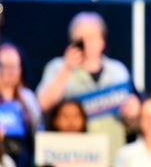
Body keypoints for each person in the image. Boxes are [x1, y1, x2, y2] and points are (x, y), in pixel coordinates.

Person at [35, 11, 140, 164]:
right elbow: (42, 104)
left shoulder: (118, 71)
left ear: (102, 41)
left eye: (92, 37)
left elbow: (130, 119)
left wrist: (132, 113)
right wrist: (66, 69)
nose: (87, 42)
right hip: (71, 157)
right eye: (80, 38)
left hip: (112, 156)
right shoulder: (58, 67)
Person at [0, 42, 42, 167]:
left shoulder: (27, 98)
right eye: (4, 66)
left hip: (24, 158)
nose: (10, 71)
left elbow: (38, 129)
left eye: (14, 66)